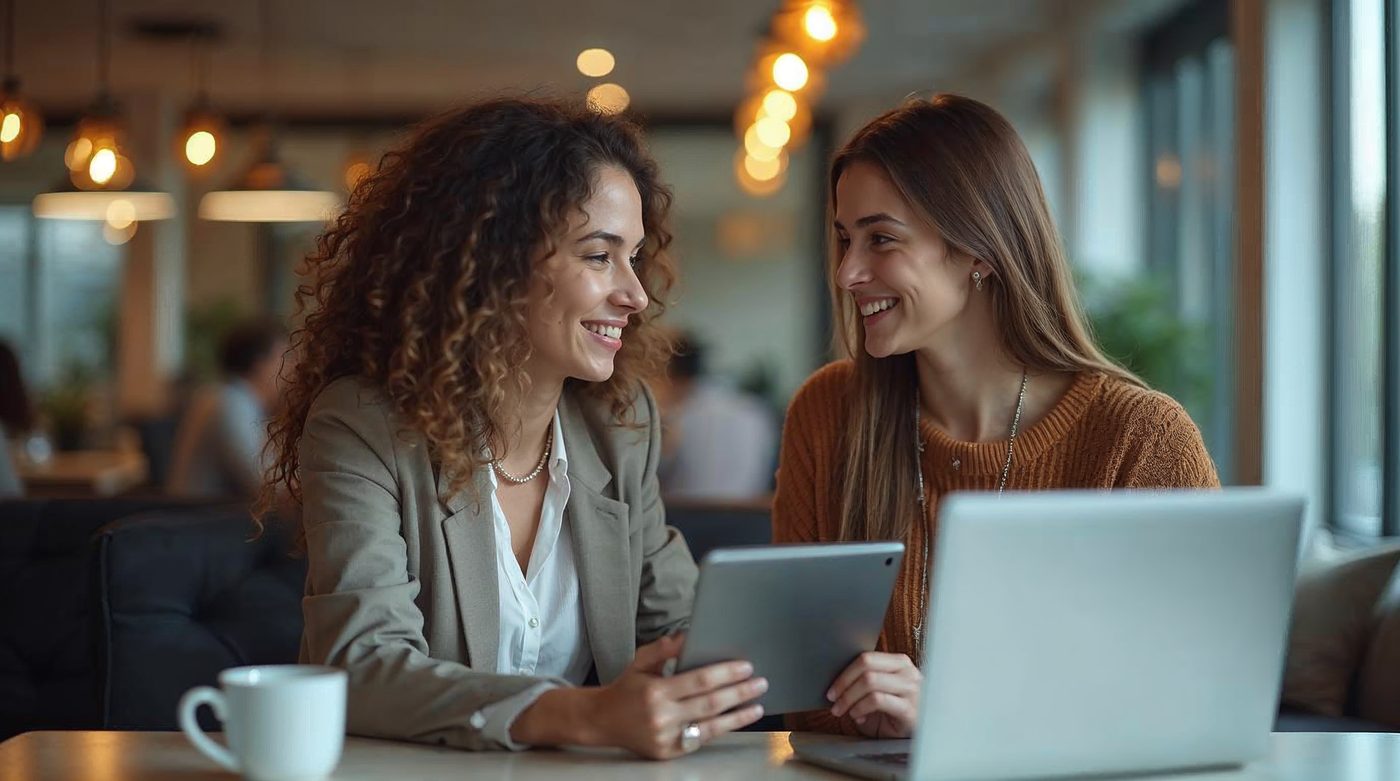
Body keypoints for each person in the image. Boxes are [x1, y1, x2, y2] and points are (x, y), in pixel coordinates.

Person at [257, 98, 764, 758]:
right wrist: (583, 714)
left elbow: (685, 629)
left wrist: (836, 676)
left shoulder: (619, 424)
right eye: (599, 256)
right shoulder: (364, 426)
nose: (636, 295)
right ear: (492, 264)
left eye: (635, 258)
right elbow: (364, 663)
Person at [772, 94, 1219, 739]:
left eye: (881, 239)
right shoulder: (828, 413)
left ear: (979, 249)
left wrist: (950, 721)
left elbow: (1191, 703)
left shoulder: (1140, 440)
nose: (847, 273)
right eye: (845, 240)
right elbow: (803, 695)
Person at [167, 319, 287, 499]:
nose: (291, 370)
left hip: (203, 511)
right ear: (260, 365)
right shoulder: (230, 403)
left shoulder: (223, 395)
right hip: (205, 514)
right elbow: (264, 483)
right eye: (284, 358)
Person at [655, 334, 777, 501]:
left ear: (668, 375)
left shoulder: (677, 417)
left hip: (682, 512)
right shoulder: (755, 411)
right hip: (749, 513)